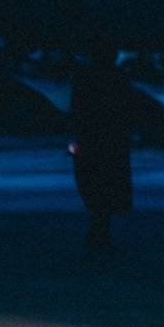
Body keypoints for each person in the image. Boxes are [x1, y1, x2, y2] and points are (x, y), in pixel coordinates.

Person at [69, 37, 133, 251]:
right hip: (110, 139)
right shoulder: (118, 77)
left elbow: (77, 109)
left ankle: (98, 228)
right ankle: (100, 228)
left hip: (93, 138)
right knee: (105, 182)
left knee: (91, 181)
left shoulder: (87, 77)